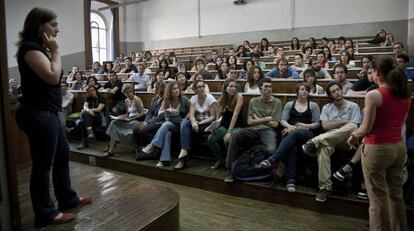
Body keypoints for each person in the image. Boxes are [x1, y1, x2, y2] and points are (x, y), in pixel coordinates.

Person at [15, 7, 91, 227]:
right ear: (40, 26)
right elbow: (51, 76)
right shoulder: (30, 49)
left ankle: (67, 199)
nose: (57, 29)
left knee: (62, 155)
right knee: (43, 165)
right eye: (53, 25)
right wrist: (56, 51)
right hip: (38, 114)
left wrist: (52, 51)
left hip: (48, 112)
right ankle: (46, 213)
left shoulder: (40, 48)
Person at [347, 57, 410, 231]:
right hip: (398, 147)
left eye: (373, 71)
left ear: (378, 73)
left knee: (377, 199)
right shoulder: (405, 94)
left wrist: (354, 135)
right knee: (396, 195)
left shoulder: (374, 95)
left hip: (378, 149)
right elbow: (400, 123)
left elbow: (366, 128)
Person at [302, 82, 362, 202]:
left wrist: (345, 124)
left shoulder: (353, 106)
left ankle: (315, 141)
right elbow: (324, 126)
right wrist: (343, 122)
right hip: (331, 139)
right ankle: (325, 188)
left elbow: (354, 127)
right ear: (330, 95)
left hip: (348, 140)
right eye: (333, 91)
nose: (337, 92)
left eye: (338, 90)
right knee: (323, 148)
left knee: (352, 126)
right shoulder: (327, 107)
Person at [259, 83, 320, 192]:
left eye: (307, 90)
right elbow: (283, 120)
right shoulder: (289, 104)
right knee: (292, 148)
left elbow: (317, 124)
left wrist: (303, 126)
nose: (305, 91)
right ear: (297, 92)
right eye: (302, 89)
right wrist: (290, 127)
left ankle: (273, 159)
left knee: (295, 133)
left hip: (307, 134)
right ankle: (291, 180)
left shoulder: (313, 105)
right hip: (291, 132)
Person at [224, 78, 282, 182]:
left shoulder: (277, 102)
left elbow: (275, 124)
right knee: (236, 134)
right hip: (253, 129)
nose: (269, 89)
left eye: (270, 87)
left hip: (268, 130)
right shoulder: (253, 101)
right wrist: (266, 118)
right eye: (266, 87)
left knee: (271, 149)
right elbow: (249, 122)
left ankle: (266, 170)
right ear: (260, 89)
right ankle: (229, 169)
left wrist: (258, 119)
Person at [142, 81, 190, 167]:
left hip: (181, 125)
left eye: (177, 88)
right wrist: (167, 111)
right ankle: (165, 159)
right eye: (174, 89)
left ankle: (152, 145)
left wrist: (185, 118)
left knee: (166, 124)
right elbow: (160, 113)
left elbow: (191, 112)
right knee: (167, 132)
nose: (176, 90)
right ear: (169, 91)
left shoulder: (184, 99)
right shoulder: (167, 100)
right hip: (171, 125)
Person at [174, 80, 217, 170]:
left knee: (189, 132)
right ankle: (184, 150)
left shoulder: (210, 98)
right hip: (196, 122)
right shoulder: (193, 98)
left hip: (207, 123)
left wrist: (198, 123)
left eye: (203, 86)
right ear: (195, 89)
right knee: (185, 123)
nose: (201, 88)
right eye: (199, 87)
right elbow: (192, 115)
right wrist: (193, 122)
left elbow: (213, 117)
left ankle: (183, 159)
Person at [208, 79, 244, 169]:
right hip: (224, 126)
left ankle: (232, 162)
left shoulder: (239, 97)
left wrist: (230, 131)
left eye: (234, 87)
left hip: (237, 126)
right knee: (211, 138)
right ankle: (220, 159)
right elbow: (218, 117)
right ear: (225, 88)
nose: (233, 89)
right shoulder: (221, 99)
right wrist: (215, 126)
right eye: (230, 86)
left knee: (227, 139)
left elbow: (235, 115)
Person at [104, 84, 145, 157]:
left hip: (137, 121)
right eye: (126, 92)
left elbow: (142, 113)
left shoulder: (136, 99)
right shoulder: (126, 100)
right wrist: (121, 116)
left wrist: (130, 119)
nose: (129, 94)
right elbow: (127, 113)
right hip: (129, 120)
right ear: (124, 93)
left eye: (130, 92)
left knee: (115, 125)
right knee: (114, 122)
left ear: (133, 91)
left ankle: (110, 148)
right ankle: (111, 150)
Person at [133, 81, 166, 159]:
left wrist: (147, 122)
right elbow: (150, 112)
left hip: (160, 122)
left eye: (154, 87)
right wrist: (145, 121)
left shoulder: (166, 100)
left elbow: (160, 116)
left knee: (143, 130)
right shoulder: (154, 99)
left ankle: (148, 151)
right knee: (135, 129)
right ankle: (140, 149)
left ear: (159, 89)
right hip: (151, 121)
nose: (153, 89)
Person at [77, 85, 106, 149]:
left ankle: (85, 141)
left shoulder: (101, 97)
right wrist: (88, 111)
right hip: (89, 117)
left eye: (93, 90)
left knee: (83, 118)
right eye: (89, 91)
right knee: (82, 122)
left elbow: (99, 109)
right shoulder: (88, 97)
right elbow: (85, 106)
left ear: (95, 90)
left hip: (98, 117)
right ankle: (89, 134)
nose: (91, 92)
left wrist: (89, 110)